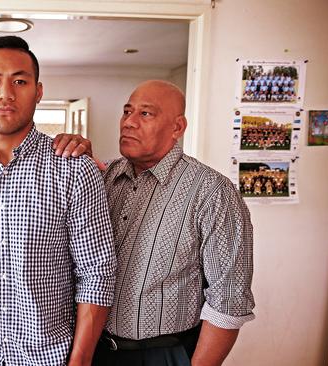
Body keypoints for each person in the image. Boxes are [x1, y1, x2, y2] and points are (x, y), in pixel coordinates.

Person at [0, 36, 116, 366]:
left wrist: (80, 361)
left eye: (19, 81)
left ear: (38, 91)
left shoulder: (74, 169)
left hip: (50, 356)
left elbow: (97, 274)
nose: (5, 93)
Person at [53, 80, 255, 366]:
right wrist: (71, 155)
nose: (129, 123)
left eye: (145, 114)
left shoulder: (211, 191)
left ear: (177, 127)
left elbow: (229, 301)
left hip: (164, 353)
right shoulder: (101, 177)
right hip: (90, 349)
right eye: (127, 112)